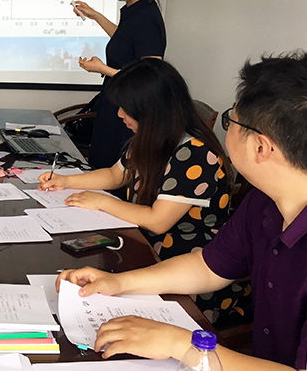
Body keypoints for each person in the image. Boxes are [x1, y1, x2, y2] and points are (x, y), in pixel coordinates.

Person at [55, 51, 307, 371]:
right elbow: (208, 267)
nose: (225, 130)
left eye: (230, 120)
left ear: (261, 147)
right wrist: (118, 283)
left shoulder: (198, 155)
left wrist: (178, 343)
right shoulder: (263, 201)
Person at [39, 58, 245, 325]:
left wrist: (101, 202)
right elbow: (115, 175)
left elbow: (158, 221)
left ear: (151, 110)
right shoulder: (150, 139)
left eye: (126, 108)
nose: (119, 114)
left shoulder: (195, 154)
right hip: (141, 249)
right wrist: (65, 181)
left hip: (183, 269)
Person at [72, 0, 173, 170]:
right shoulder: (135, 10)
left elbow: (149, 77)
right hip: (115, 105)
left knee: (111, 173)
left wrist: (102, 69)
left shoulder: (146, 17)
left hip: (128, 113)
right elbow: (125, 42)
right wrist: (95, 16)